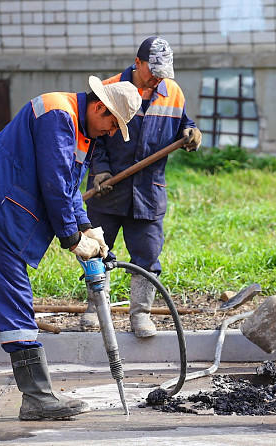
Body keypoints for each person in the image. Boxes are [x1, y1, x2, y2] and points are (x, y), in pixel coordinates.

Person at [0, 77, 142, 420]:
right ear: (100, 107)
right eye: (111, 123)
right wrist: (74, 240)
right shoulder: (59, 116)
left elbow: (68, 185)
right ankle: (37, 397)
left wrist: (87, 227)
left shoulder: (78, 126)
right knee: (14, 294)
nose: (110, 132)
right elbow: (53, 184)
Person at [80, 36, 202, 337]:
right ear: (137, 63)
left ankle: (141, 315)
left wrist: (191, 132)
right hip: (108, 190)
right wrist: (101, 172)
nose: (157, 76)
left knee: (147, 256)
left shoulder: (172, 92)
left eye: (163, 71)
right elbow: (92, 136)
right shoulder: (109, 90)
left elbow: (184, 123)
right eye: (152, 70)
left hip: (148, 193)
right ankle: (95, 308)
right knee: (96, 251)